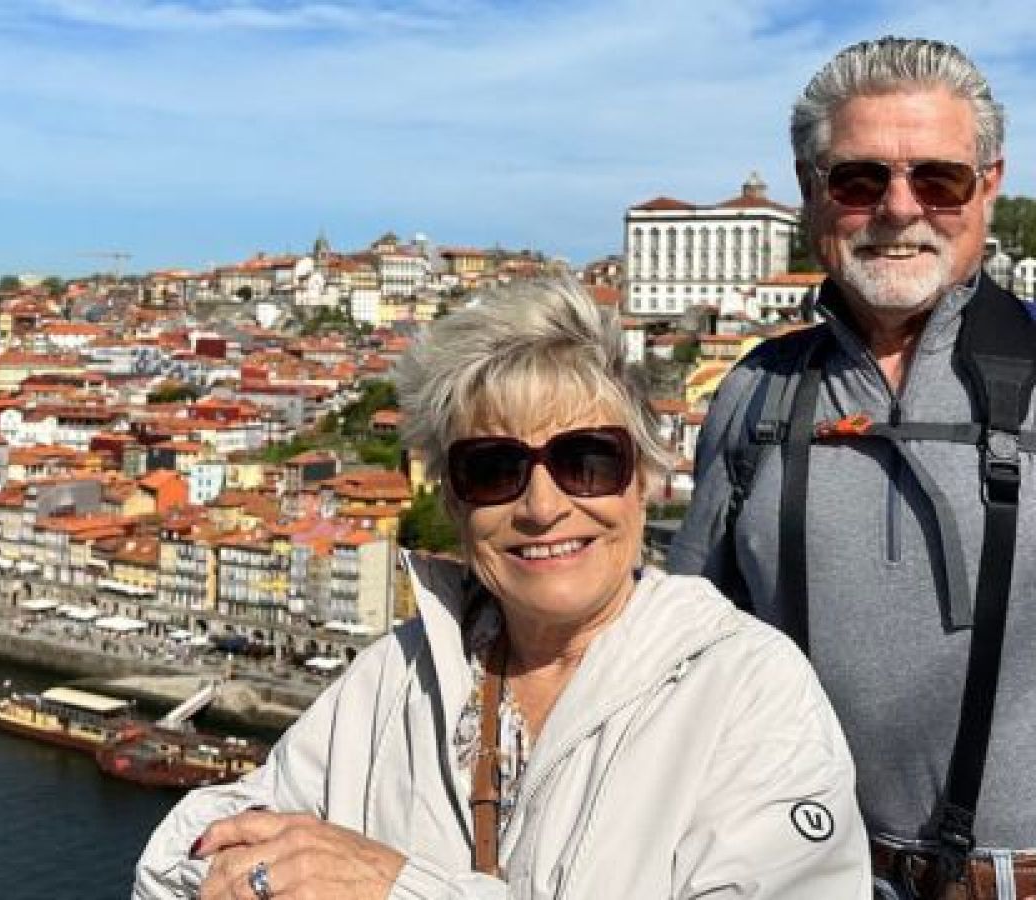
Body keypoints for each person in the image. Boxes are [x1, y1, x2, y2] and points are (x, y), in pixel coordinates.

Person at [132, 279, 868, 899]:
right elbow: (172, 866)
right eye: (492, 468)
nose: (542, 507)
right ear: (454, 501)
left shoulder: (748, 690)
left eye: (586, 460)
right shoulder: (398, 676)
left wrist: (397, 888)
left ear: (646, 478)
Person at [669, 36, 1036, 900]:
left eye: (939, 179)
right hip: (811, 878)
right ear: (811, 192)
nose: (899, 210)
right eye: (859, 180)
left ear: (990, 185)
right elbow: (681, 651)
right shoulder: (754, 395)